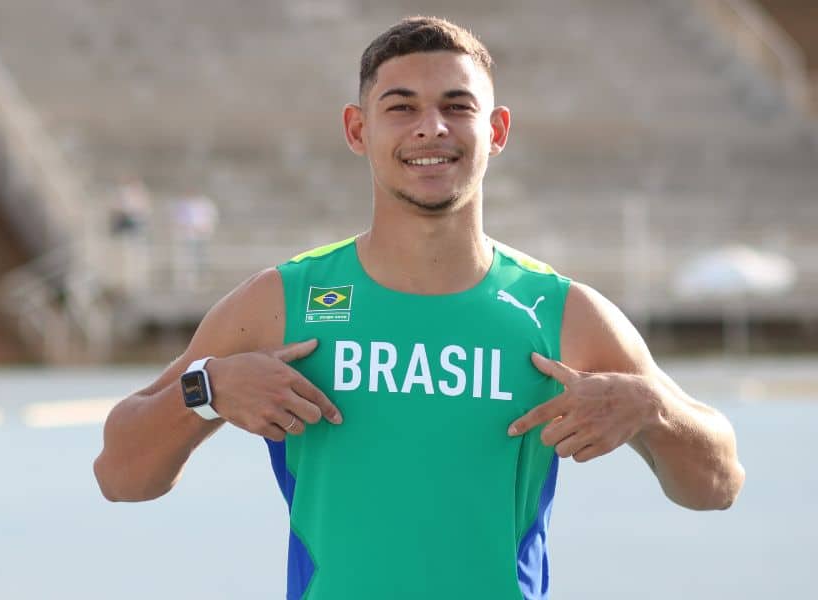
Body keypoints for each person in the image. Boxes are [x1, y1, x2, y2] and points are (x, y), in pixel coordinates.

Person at [93, 16, 745, 599]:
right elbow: (121, 474)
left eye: (456, 106)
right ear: (358, 129)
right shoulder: (281, 301)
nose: (430, 127)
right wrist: (205, 388)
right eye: (400, 107)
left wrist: (652, 408)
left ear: (496, 130)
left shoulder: (560, 311)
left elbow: (717, 485)